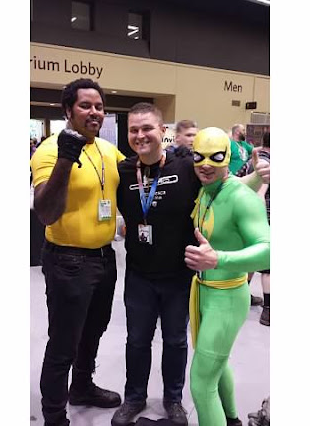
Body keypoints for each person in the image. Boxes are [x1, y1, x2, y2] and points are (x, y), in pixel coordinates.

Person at [112, 104, 269, 426]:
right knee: (137, 341)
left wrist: (258, 177)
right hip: (139, 274)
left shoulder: (187, 166)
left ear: (162, 131)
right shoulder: (124, 171)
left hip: (179, 275)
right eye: (134, 130)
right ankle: (134, 397)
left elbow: (225, 188)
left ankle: (173, 399)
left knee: (176, 341)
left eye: (147, 128)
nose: (140, 135)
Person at [31, 78, 126, 426]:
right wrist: (66, 158)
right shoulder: (48, 150)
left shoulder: (107, 149)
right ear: (68, 111)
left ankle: (82, 387)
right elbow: (45, 212)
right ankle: (54, 417)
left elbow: (136, 175)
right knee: (63, 343)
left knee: (93, 332)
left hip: (104, 257)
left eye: (99, 106)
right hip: (67, 261)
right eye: (85, 105)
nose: (94, 112)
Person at [184, 127, 270, 426]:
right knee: (216, 366)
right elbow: (228, 188)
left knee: (201, 383)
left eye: (216, 157)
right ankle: (231, 419)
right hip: (204, 292)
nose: (205, 164)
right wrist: (256, 177)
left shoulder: (243, 199)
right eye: (199, 157)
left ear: (228, 157)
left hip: (227, 296)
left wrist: (219, 258)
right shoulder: (209, 189)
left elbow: (269, 250)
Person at [256, 132, 270, 326]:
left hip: (250, 216)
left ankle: (245, 294)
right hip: (263, 217)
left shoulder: (257, 159)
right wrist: (261, 222)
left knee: (252, 261)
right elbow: (260, 193)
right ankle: (268, 310)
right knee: (268, 267)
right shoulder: (266, 163)